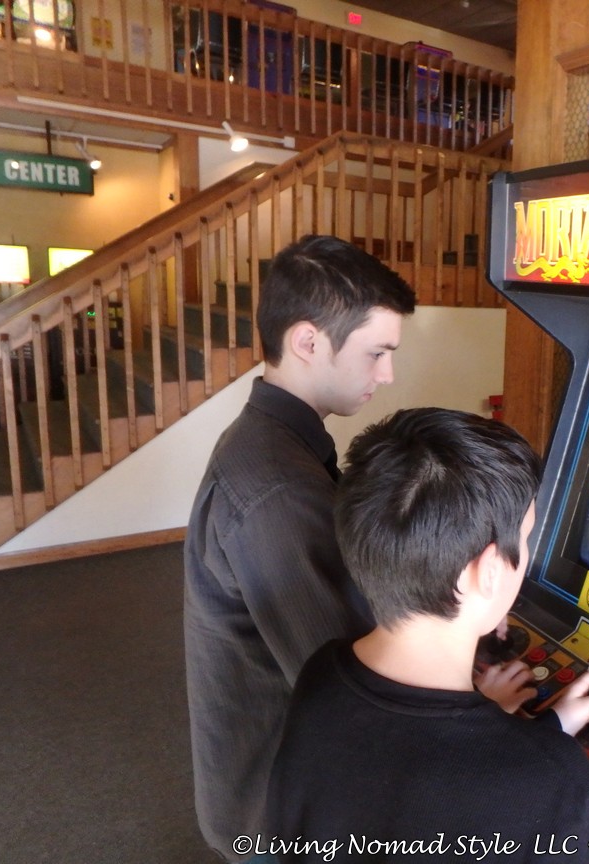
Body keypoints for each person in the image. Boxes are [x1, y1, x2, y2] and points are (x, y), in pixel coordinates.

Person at [267, 408, 589, 862]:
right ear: (488, 571)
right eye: (526, 539)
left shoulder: (322, 672)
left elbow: (410, 786)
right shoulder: (553, 786)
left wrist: (545, 730)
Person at [183, 235, 416, 862]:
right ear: (309, 342)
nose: (387, 374)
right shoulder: (279, 486)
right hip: (279, 808)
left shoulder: (269, 438)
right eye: (377, 353)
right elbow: (351, 689)